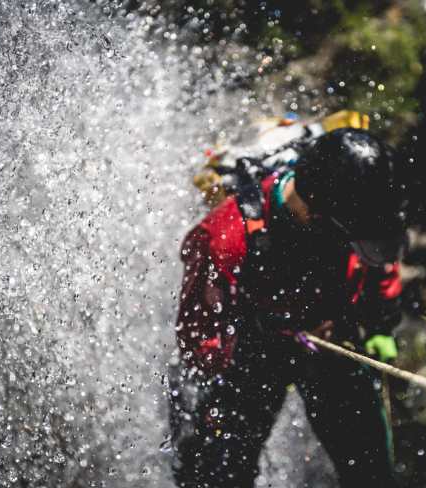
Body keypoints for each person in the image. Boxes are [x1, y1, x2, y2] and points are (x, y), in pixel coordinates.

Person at [172, 128, 410, 487]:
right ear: (314, 211)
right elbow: (199, 338)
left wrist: (380, 325)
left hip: (332, 340)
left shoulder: (358, 214)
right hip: (250, 357)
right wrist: (274, 335)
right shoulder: (225, 238)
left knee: (371, 474)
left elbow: (378, 263)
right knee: (219, 476)